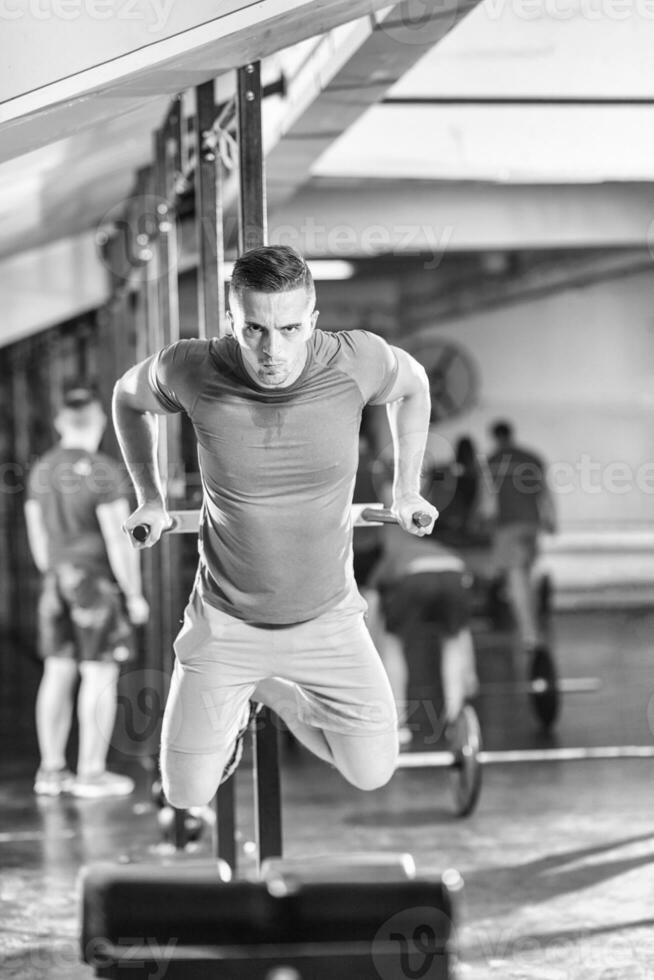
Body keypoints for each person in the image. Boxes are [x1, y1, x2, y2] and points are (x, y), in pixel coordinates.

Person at [112, 244, 437, 809]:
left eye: (289, 328)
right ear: (231, 320)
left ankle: (271, 693)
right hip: (226, 623)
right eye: (254, 329)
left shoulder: (354, 359)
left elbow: (415, 385)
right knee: (187, 796)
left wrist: (406, 489)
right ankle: (240, 702)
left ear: (312, 320)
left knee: (372, 772)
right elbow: (126, 397)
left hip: (329, 619)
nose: (272, 350)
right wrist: (150, 498)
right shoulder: (192, 366)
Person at [24, 383, 149, 798]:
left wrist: (56, 572)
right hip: (93, 583)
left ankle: (51, 771)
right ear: (98, 421)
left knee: (57, 671)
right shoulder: (102, 469)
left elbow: (38, 538)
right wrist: (133, 593)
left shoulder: (41, 469)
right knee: (99, 673)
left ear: (61, 423)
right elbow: (119, 539)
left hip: (54, 579)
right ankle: (91, 773)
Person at [366, 497, 479, 746]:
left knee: (393, 643)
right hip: (455, 573)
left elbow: (371, 607)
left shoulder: (393, 555)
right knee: (451, 639)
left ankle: (398, 725)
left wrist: (370, 652)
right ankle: (455, 721)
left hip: (415, 576)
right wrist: (470, 672)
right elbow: (462, 632)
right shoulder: (435, 546)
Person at [486, 419, 556, 658]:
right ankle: (534, 629)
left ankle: (529, 635)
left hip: (509, 526)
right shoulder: (531, 457)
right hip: (531, 525)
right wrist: (551, 520)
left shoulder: (493, 461)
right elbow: (545, 493)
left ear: (495, 437)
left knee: (516, 581)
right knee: (526, 578)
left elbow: (487, 502)